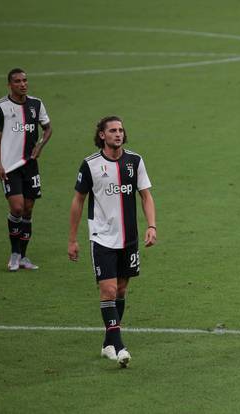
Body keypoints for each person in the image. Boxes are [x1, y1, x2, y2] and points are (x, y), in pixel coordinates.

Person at [68, 116, 156, 368]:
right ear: (102, 135)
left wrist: (151, 225)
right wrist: (72, 239)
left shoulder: (135, 161)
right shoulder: (90, 165)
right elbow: (78, 201)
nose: (118, 134)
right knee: (107, 290)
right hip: (102, 237)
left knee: (121, 290)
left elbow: (146, 196)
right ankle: (118, 345)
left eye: (120, 130)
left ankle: (108, 342)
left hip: (129, 238)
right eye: (112, 130)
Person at [0, 68, 53, 271]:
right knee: (16, 208)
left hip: (30, 166)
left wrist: (40, 145)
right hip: (10, 167)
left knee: (28, 210)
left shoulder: (36, 104)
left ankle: (24, 256)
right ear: (10, 84)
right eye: (17, 81)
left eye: (25, 80)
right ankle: (14, 253)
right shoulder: (0, 107)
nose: (23, 84)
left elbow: (48, 128)